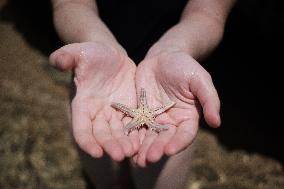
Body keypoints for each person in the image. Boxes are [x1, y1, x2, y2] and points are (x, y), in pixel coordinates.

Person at [49, 0, 236, 188]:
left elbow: (209, 13)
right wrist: (94, 39)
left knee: (161, 169)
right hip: (100, 79)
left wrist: (177, 47)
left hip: (168, 81)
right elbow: (68, 4)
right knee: (103, 171)